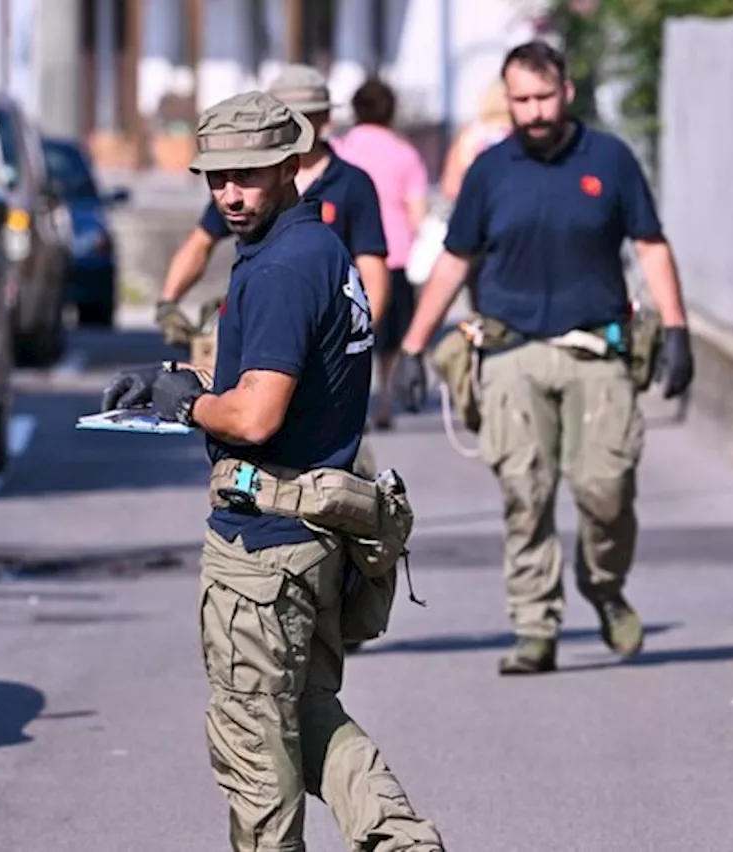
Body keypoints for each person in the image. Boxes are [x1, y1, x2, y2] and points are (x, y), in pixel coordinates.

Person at [102, 90, 444, 852]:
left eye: (247, 175)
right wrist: (172, 379)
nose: (228, 192)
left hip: (263, 547)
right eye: (215, 177)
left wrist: (189, 405)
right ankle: (401, 839)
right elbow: (278, 371)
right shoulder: (315, 247)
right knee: (306, 712)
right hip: (316, 533)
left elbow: (255, 415)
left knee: (254, 751)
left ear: (293, 163)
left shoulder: (284, 267)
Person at [394, 41, 695, 676]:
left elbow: (649, 243)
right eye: (520, 99)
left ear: (567, 92)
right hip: (511, 355)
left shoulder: (609, 159)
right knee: (524, 494)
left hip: (598, 354)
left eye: (543, 97)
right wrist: (415, 345)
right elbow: (455, 258)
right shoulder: (490, 168)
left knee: (606, 492)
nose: (531, 111)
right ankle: (535, 627)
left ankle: (605, 587)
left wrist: (676, 329)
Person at [156, 64, 390, 356]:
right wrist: (168, 302)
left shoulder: (351, 183)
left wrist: (359, 336)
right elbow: (201, 242)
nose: (296, 122)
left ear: (325, 117)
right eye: (287, 113)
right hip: (260, 315)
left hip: (323, 321)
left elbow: (372, 267)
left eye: (306, 113)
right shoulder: (240, 186)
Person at [334, 76, 430, 429]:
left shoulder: (342, 150)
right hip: (395, 254)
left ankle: (349, 399)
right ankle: (384, 398)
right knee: (388, 337)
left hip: (348, 254)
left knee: (348, 332)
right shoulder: (406, 153)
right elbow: (418, 213)